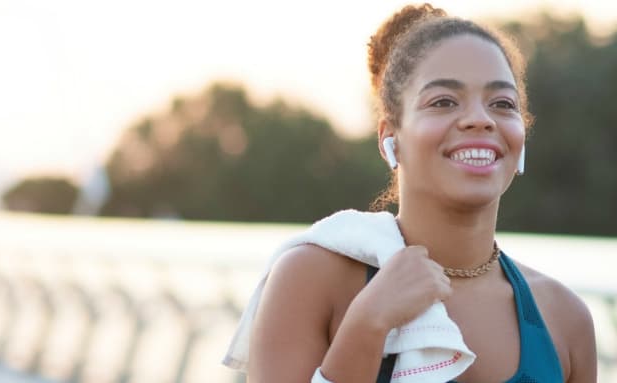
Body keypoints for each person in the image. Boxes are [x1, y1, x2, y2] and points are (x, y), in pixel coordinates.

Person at [241, 4, 596, 382]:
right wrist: (368, 323)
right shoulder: (311, 278)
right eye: (443, 101)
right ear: (389, 137)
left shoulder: (563, 318)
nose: (481, 118)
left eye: (502, 104)